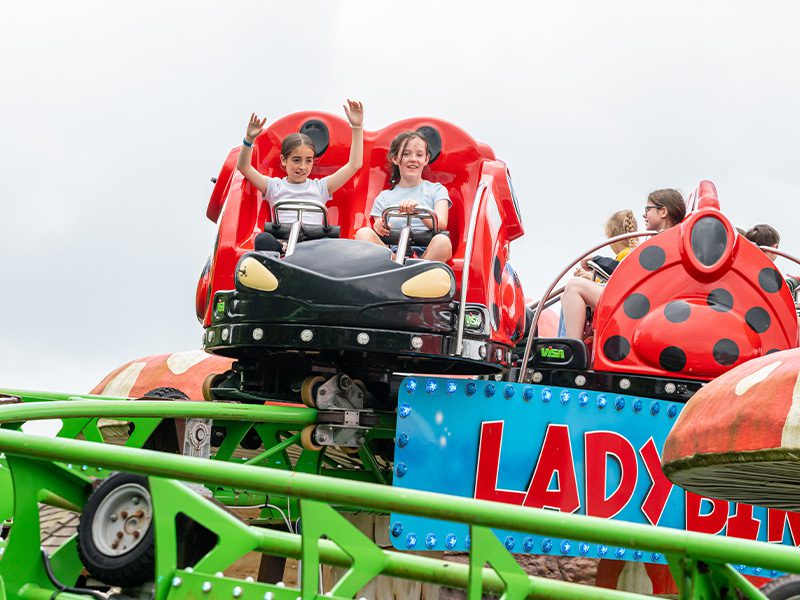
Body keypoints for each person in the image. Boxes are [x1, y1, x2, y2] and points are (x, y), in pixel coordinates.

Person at [236, 100, 364, 251]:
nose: (302, 167)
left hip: (314, 246)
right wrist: (249, 140)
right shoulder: (274, 186)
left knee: (335, 245)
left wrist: (357, 127)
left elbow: (354, 165)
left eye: (308, 161)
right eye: (296, 160)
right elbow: (243, 167)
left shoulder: (320, 187)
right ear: (284, 160)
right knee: (263, 239)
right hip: (283, 245)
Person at [562, 190, 686, 339]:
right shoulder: (670, 240)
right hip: (643, 300)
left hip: (639, 304)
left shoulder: (663, 242)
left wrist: (596, 260)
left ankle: (573, 349)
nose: (644, 215)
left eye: (648, 209)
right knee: (569, 293)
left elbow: (626, 271)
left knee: (574, 287)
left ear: (663, 211)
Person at [355, 131, 452, 262]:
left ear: (426, 159)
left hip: (427, 251)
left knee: (443, 242)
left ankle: (413, 270)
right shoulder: (384, 197)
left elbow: (441, 224)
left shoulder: (436, 190)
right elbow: (382, 231)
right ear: (395, 159)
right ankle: (400, 268)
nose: (413, 158)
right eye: (406, 154)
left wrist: (418, 211)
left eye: (419, 154)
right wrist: (380, 226)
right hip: (394, 253)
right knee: (363, 233)